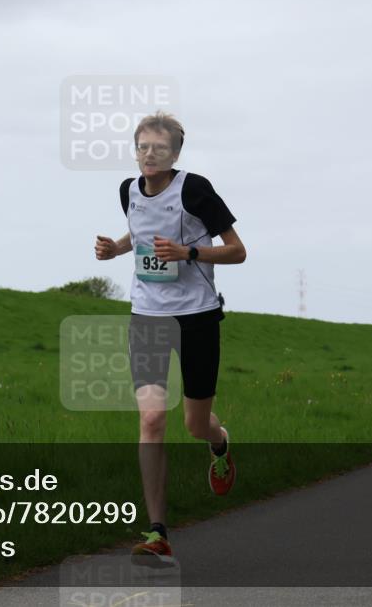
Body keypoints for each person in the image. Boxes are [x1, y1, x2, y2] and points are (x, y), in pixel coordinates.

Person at [94, 111, 246, 566]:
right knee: (152, 421)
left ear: (175, 153)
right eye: (142, 147)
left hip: (197, 318)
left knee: (195, 425)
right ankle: (156, 531)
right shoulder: (128, 190)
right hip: (147, 318)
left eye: (159, 148)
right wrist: (115, 249)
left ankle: (219, 444)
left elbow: (238, 250)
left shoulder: (195, 189)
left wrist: (189, 252)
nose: (149, 154)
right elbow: (140, 234)